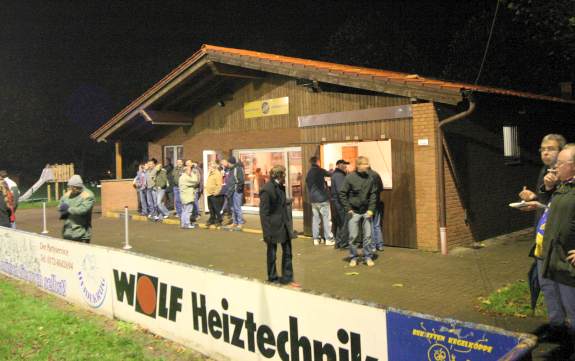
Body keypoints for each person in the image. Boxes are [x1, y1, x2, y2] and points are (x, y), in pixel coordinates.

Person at [518, 134, 566, 341]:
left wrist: (551, 187)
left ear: (562, 152)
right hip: (541, 241)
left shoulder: (567, 177)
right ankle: (557, 327)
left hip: (561, 244)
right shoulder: (544, 172)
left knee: (565, 288)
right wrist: (533, 200)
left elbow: (563, 211)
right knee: (546, 285)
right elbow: (547, 206)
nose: (545, 152)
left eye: (551, 148)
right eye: (542, 148)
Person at [540, 144, 575, 358]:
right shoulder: (565, 187)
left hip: (569, 265)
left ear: (573, 166)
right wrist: (548, 189)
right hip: (558, 261)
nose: (555, 167)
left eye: (560, 163)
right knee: (569, 312)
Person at [259, 164, 297, 286]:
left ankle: (288, 277)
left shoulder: (280, 187)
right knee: (272, 254)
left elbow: (279, 202)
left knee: (287, 252)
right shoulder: (267, 189)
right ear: (280, 175)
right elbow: (264, 213)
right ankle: (272, 277)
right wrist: (266, 232)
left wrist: (287, 201)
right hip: (273, 227)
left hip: (284, 225)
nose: (285, 176)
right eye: (284, 174)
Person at [339, 156, 378, 267]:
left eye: (367, 164)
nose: (367, 166)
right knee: (353, 237)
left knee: (368, 237)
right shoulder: (350, 178)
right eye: (365, 164)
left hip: (367, 212)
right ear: (358, 165)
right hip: (354, 212)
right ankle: (353, 257)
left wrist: (371, 209)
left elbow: (373, 195)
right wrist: (348, 209)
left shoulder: (370, 178)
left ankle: (368, 257)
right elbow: (342, 194)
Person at [306, 156, 334, 246]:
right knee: (326, 219)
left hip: (313, 200)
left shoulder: (309, 173)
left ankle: (316, 239)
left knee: (316, 219)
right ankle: (328, 239)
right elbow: (330, 174)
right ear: (317, 162)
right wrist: (332, 169)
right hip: (322, 199)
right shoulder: (320, 170)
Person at [58, 175, 95, 243]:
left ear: (78, 187)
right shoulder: (68, 193)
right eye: (69, 187)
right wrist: (61, 208)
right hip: (67, 232)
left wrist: (68, 209)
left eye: (72, 188)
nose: (70, 190)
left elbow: (83, 210)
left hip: (82, 234)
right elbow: (60, 205)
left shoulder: (88, 195)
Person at [330, 160, 349, 249]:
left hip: (337, 203)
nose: (345, 166)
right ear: (338, 165)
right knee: (344, 223)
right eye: (343, 164)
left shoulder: (338, 174)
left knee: (340, 224)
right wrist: (345, 204)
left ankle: (338, 242)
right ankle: (343, 243)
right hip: (340, 204)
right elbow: (341, 191)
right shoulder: (339, 175)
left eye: (345, 164)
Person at [225, 156, 245, 231]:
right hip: (231, 191)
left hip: (236, 191)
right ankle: (234, 222)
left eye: (228, 162)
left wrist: (237, 188)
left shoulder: (238, 168)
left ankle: (240, 223)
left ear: (230, 162)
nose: (227, 163)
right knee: (233, 207)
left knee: (237, 207)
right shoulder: (231, 169)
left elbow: (241, 180)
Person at [367, 166, 385, 251]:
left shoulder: (365, 175)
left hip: (369, 204)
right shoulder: (376, 174)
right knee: (376, 225)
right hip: (377, 202)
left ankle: (373, 246)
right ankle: (380, 245)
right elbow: (381, 188)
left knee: (370, 225)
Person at [179, 161, 200, 229]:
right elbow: (195, 180)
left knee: (184, 211)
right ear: (186, 171)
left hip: (183, 197)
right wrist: (192, 173)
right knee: (188, 211)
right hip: (187, 197)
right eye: (189, 170)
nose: (190, 171)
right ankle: (187, 224)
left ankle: (183, 224)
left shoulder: (181, 177)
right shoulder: (186, 177)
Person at [205, 161, 224, 228]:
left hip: (214, 194)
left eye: (209, 166)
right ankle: (212, 219)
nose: (209, 167)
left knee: (216, 208)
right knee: (211, 208)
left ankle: (219, 220)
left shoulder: (217, 174)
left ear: (213, 167)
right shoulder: (211, 173)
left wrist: (216, 192)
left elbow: (219, 185)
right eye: (209, 166)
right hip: (209, 193)